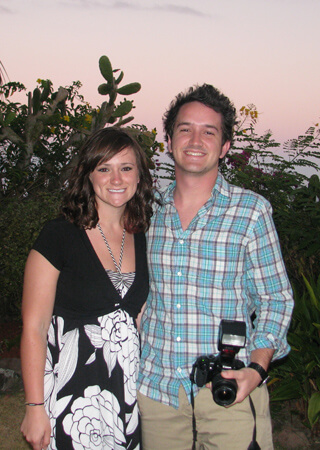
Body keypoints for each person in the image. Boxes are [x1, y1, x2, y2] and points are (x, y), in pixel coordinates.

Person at [137, 84, 294, 449]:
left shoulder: (251, 211)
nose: (195, 139)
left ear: (224, 147)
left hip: (229, 392)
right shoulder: (145, 210)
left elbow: (277, 299)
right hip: (158, 392)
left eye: (209, 131)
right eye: (185, 128)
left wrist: (255, 371)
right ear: (169, 140)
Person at [20, 127, 154, 450]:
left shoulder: (143, 236)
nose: (116, 179)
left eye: (126, 168)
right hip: (67, 396)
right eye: (104, 168)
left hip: (124, 399)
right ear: (89, 176)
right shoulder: (59, 236)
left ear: (139, 177)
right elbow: (33, 328)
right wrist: (34, 408)